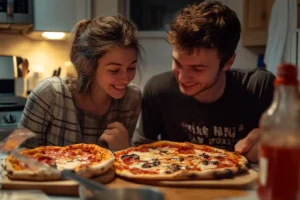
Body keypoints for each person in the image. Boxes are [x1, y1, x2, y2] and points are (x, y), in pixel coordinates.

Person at [132, 1, 275, 162]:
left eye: (197, 69)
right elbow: (140, 153)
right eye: (178, 63)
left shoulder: (259, 87)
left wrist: (272, 149)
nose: (182, 77)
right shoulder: (158, 90)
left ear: (228, 62)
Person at [19, 15, 142, 151]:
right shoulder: (50, 94)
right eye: (114, 70)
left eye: (131, 68)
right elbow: (19, 158)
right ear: (86, 65)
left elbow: (125, 166)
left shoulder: (132, 99)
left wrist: (126, 150)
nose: (125, 78)